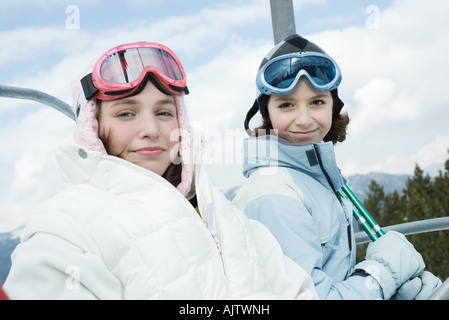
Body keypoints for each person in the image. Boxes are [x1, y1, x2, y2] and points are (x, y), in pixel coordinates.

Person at [4, 41, 318, 300]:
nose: (151, 129)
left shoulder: (223, 215)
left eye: (164, 112)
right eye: (126, 113)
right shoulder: (66, 231)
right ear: (93, 128)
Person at [233, 34, 442, 300]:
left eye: (317, 101)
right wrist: (383, 274)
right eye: (286, 104)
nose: (304, 119)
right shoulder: (273, 195)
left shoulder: (316, 178)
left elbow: (331, 275)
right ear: (267, 114)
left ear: (333, 106)